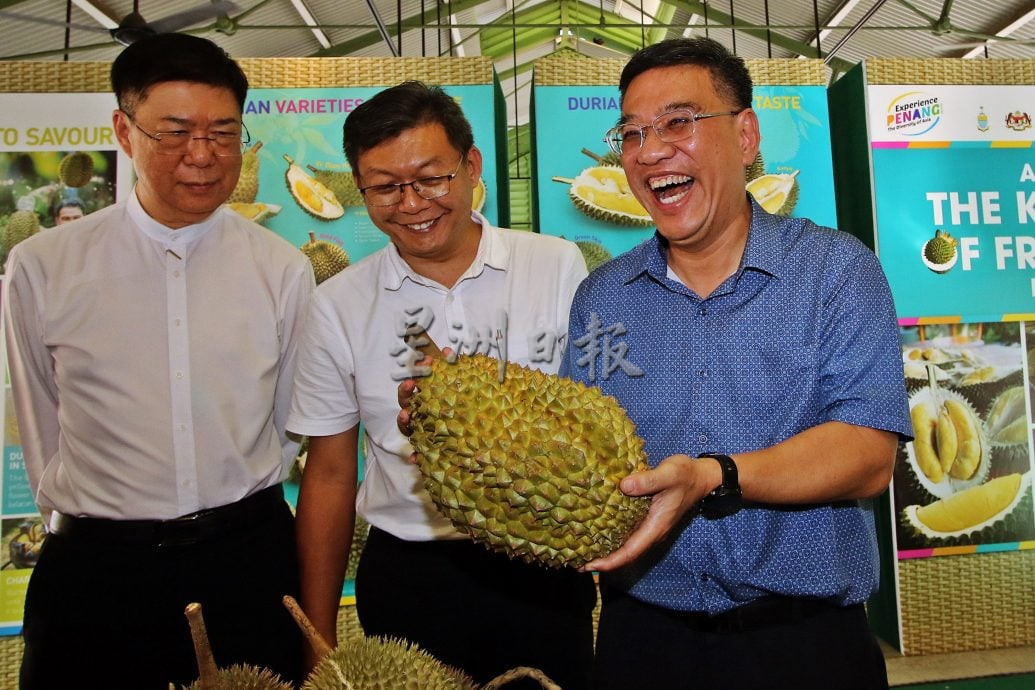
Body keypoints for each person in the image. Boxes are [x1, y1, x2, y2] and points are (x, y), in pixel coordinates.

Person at [558, 38, 913, 690]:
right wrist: (455, 416)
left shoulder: (835, 272)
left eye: (678, 122)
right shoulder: (602, 297)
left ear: (745, 135)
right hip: (643, 642)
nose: (650, 151)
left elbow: (867, 455)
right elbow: (573, 450)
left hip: (802, 647)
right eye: (631, 133)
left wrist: (712, 476)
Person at [3, 33, 313, 690]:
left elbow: (287, 422)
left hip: (245, 561)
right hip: (97, 572)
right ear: (124, 130)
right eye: (175, 132)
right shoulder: (43, 266)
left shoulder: (280, 268)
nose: (202, 155)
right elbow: (40, 419)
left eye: (222, 134)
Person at [288, 81, 594, 689]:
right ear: (360, 189)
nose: (412, 203)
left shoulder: (555, 264)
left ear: (471, 166)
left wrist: (481, 417)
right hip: (410, 575)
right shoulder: (337, 304)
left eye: (431, 178)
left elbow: (588, 420)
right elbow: (329, 473)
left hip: (539, 564)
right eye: (385, 187)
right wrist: (317, 640)